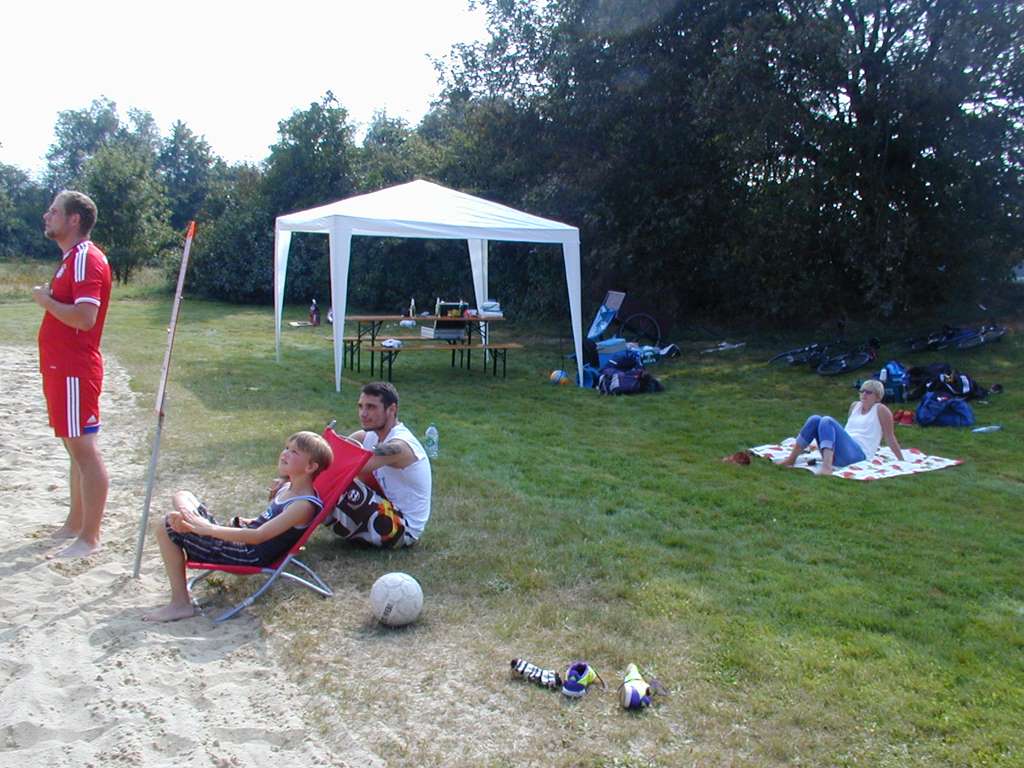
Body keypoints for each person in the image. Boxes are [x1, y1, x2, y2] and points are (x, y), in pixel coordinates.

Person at [143, 431, 333, 622]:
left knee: (166, 525)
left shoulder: (302, 505)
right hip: (241, 542)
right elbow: (270, 523)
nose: (285, 453)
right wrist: (249, 519)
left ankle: (180, 604)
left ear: (310, 466)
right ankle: (187, 520)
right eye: (286, 448)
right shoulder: (287, 489)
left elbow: (259, 536)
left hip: (246, 554)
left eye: (294, 452)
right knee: (183, 495)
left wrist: (206, 528)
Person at [32, 191, 112, 558]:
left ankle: (89, 537)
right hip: (62, 369)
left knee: (84, 450)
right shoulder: (71, 259)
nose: (46, 216)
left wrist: (46, 301)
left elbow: (84, 317)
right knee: (73, 448)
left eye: (54, 211)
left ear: (74, 219)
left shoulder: (84, 258)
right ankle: (75, 523)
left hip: (74, 370)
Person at [327, 382, 432, 548]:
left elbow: (347, 467)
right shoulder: (366, 436)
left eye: (371, 407)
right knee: (320, 483)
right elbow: (331, 455)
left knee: (337, 485)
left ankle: (292, 525)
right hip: (384, 510)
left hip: (402, 528)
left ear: (392, 409)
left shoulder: (401, 446)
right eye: (360, 406)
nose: (363, 413)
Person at [780, 379, 904, 475]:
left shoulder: (881, 410)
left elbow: (889, 436)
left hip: (859, 454)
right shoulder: (855, 406)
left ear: (877, 396)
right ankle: (791, 459)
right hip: (843, 450)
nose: (864, 394)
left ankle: (827, 467)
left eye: (868, 392)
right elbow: (847, 431)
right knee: (815, 419)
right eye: (862, 391)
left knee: (827, 420)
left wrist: (901, 460)